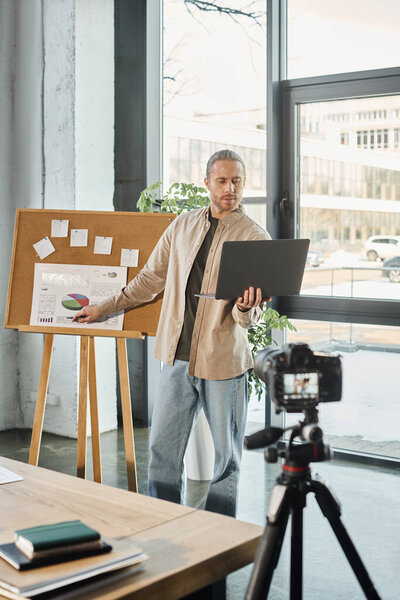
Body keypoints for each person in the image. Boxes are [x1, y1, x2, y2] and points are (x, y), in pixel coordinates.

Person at [73, 149, 271, 517]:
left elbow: (251, 317)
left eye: (238, 181)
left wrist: (246, 307)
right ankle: (163, 523)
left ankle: (218, 535)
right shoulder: (182, 225)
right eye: (223, 180)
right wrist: (104, 307)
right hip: (176, 357)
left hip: (223, 360)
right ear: (207, 182)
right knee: (163, 451)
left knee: (226, 459)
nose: (231, 188)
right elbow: (150, 280)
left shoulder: (255, 237)